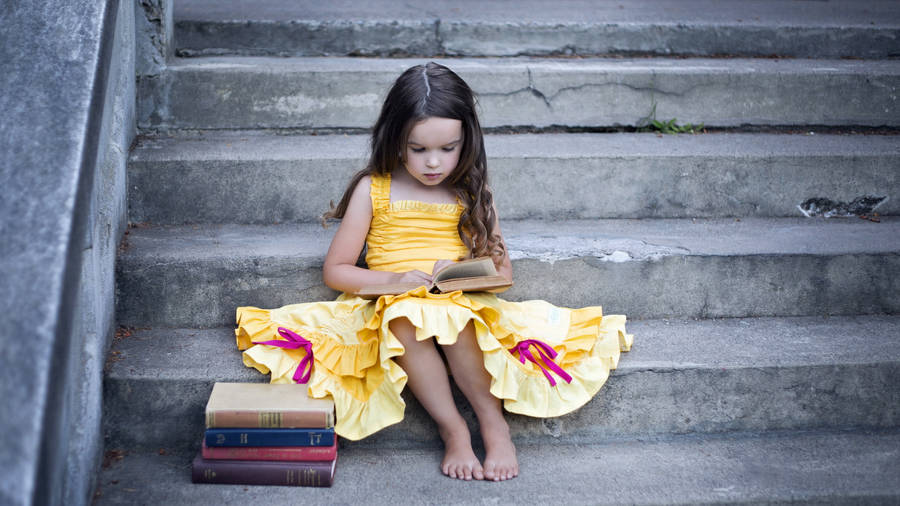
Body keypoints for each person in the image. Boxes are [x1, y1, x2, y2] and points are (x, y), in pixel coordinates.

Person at [235, 62, 632, 482]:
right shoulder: (375, 188)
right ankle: (453, 429)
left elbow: (502, 273)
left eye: (447, 148)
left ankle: (493, 424)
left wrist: (462, 272)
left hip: (457, 300)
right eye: (418, 149)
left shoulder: (471, 191)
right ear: (395, 140)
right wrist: (393, 281)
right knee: (405, 318)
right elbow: (336, 270)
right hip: (391, 301)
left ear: (467, 141)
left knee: (457, 320)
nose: (433, 162)